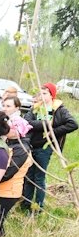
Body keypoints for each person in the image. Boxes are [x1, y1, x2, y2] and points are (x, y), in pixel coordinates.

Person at [22, 83, 78, 213]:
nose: (41, 96)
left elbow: (73, 124)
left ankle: (38, 208)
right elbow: (27, 122)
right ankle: (26, 203)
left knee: (39, 177)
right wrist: (46, 125)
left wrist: (53, 131)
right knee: (29, 176)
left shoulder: (59, 109)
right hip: (31, 145)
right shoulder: (35, 108)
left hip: (44, 148)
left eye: (45, 93)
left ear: (52, 95)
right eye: (40, 93)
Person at [0, 97, 33, 237]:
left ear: (19, 131)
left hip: (9, 192)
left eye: (11, 128)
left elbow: (9, 172)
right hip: (1, 189)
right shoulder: (10, 143)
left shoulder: (21, 148)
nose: (7, 129)